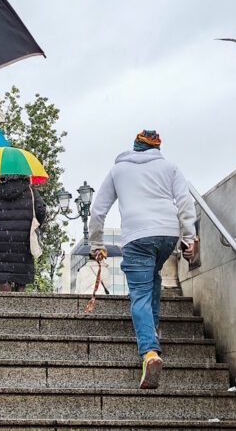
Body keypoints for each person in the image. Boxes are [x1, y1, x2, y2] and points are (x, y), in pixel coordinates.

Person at [88, 129, 197, 389]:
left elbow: (98, 210)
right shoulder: (170, 167)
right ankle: (153, 329)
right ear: (157, 148)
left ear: (135, 147)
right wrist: (189, 239)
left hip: (137, 236)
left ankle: (149, 350)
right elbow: (185, 202)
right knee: (153, 277)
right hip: (166, 235)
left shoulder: (119, 170)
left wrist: (96, 243)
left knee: (139, 293)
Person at [0, 174, 47, 292]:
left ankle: (5, 308)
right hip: (23, 237)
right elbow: (41, 210)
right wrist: (32, 221)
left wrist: (2, 218)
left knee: (3, 276)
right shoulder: (30, 190)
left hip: (2, 238)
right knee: (21, 277)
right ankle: (20, 305)